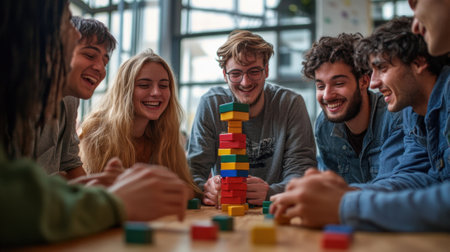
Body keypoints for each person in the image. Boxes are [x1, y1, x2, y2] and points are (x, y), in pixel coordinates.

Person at [0, 0, 190, 245]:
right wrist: (112, 201)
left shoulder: (66, 101)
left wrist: (84, 189)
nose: (100, 68)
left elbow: (47, 175)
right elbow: (13, 197)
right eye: (65, 22)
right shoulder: (95, 130)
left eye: (105, 60)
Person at [270, 17, 449, 232]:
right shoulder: (413, 111)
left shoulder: (401, 111)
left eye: (382, 68)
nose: (374, 82)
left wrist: (344, 204)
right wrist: (333, 196)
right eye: (320, 85)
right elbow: (417, 178)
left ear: (419, 63)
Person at [187, 30, 317, 206]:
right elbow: (193, 169)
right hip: (226, 207)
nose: (245, 82)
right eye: (235, 74)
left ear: (267, 71)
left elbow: (301, 170)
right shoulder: (211, 105)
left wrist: (271, 192)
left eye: (254, 71)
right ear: (225, 75)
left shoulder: (290, 104)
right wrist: (206, 189)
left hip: (275, 209)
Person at [80, 49, 201, 198]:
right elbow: (93, 196)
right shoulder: (95, 132)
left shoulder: (165, 135)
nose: (156, 92)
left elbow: (186, 189)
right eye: (144, 85)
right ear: (125, 91)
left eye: (163, 86)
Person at [302, 33, 404, 184]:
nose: (327, 96)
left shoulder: (394, 117)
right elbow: (332, 188)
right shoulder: (324, 126)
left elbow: (395, 188)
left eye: (339, 84)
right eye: (321, 86)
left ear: (364, 81)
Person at [32, 16, 116, 180]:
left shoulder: (70, 99)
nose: (100, 68)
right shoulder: (18, 98)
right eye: (90, 55)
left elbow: (69, 163)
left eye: (105, 63)